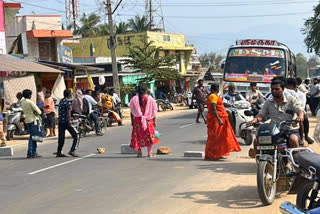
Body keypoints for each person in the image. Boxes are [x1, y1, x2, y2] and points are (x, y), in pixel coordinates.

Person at [248, 77, 305, 156]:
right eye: (272, 89)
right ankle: (259, 160)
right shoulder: (268, 102)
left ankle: (294, 163)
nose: (274, 91)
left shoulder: (291, 100)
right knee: (257, 141)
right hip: (274, 129)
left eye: (277, 89)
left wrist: (300, 116)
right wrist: (256, 120)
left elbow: (299, 109)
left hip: (290, 129)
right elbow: (262, 114)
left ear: (283, 89)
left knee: (293, 140)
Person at [205, 83, 241, 160]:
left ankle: (219, 153)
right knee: (215, 137)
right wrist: (219, 119)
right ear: (215, 89)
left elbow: (220, 104)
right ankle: (212, 155)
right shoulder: (212, 96)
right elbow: (214, 108)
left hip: (222, 118)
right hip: (216, 120)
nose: (219, 89)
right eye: (218, 87)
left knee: (221, 137)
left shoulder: (216, 96)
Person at [129, 85, 158, 158]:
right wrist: (154, 121)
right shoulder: (150, 99)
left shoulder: (134, 99)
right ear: (145, 90)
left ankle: (139, 152)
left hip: (138, 121)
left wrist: (132, 121)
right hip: (148, 120)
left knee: (138, 136)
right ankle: (150, 153)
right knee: (149, 136)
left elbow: (132, 111)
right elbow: (154, 110)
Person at [286, 78, 314, 144]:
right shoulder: (284, 92)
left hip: (298, 110)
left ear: (295, 86)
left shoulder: (301, 94)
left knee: (304, 120)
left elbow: (302, 105)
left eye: (290, 87)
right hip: (285, 111)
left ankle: (304, 136)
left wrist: (299, 113)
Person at [56, 89, 80, 157]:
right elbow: (69, 111)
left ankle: (59, 151)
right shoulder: (67, 102)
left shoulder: (61, 101)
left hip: (61, 121)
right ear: (69, 94)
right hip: (66, 121)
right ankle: (72, 150)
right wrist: (69, 120)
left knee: (61, 137)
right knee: (76, 135)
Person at [20, 89, 42, 158]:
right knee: (33, 137)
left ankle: (33, 152)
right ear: (29, 95)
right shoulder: (30, 102)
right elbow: (39, 111)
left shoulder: (22, 102)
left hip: (27, 120)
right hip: (33, 120)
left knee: (33, 136)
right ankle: (31, 152)